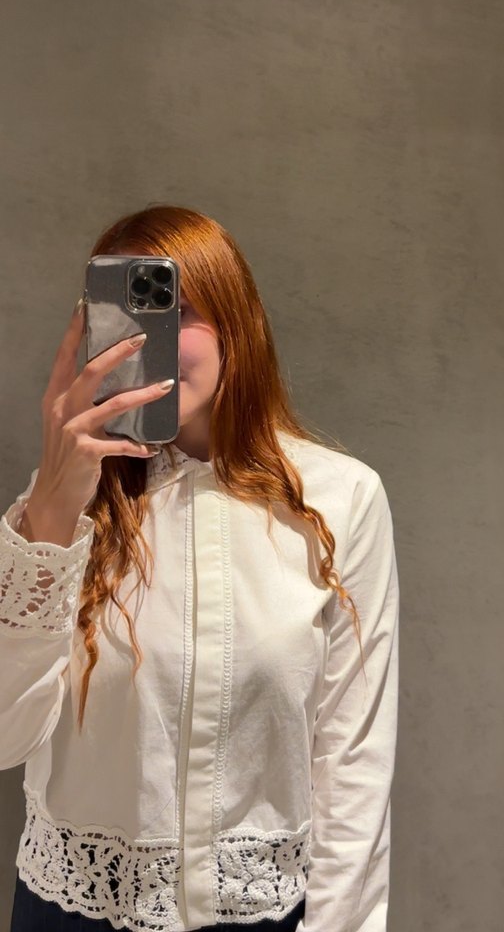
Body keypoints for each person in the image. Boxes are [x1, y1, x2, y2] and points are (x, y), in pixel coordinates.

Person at [0, 204, 400, 932]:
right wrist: (53, 509)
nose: (142, 340)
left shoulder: (340, 498)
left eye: (175, 310)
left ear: (234, 322)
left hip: (263, 915)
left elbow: (354, 760)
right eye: (120, 315)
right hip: (73, 913)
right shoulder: (60, 509)